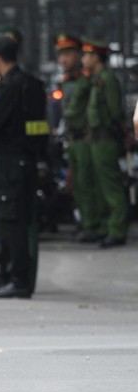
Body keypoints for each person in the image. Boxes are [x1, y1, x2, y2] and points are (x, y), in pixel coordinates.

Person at [0, 35, 43, 299]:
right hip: (28, 161)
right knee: (23, 221)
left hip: (8, 163)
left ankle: (17, 279)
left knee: (10, 223)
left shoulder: (7, 88)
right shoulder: (34, 85)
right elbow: (40, 129)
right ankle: (16, 275)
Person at [82, 38, 128, 248]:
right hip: (96, 140)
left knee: (111, 187)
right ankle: (105, 227)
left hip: (106, 139)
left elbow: (115, 110)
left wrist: (121, 133)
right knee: (100, 188)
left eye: (87, 55)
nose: (84, 59)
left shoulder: (107, 79)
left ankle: (117, 230)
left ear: (95, 57)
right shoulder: (96, 78)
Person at [55, 33, 100, 242]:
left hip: (86, 138)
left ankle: (93, 224)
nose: (63, 60)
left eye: (68, 54)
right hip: (72, 138)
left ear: (78, 55)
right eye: (61, 55)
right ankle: (84, 222)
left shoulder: (88, 80)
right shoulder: (64, 82)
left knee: (87, 181)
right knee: (77, 184)